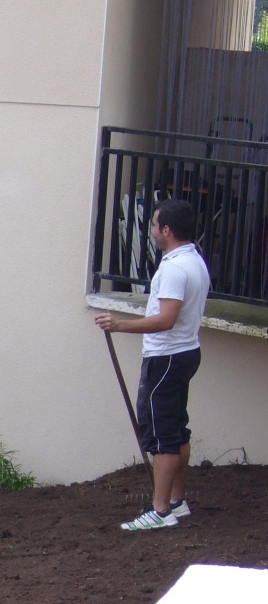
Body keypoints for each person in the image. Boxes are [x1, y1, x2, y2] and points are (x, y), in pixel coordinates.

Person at [95, 198, 209, 531]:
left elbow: (166, 319)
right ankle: (177, 500)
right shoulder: (194, 260)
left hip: (167, 358)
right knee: (176, 428)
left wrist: (119, 326)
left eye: (155, 224)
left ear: (167, 230)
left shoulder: (174, 268)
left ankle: (160, 511)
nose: (153, 230)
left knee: (161, 436)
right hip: (185, 353)